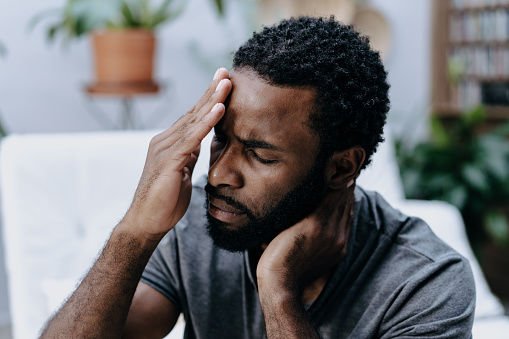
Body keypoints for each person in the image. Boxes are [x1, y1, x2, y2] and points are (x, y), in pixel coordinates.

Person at [41, 17, 475, 338]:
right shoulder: (195, 221)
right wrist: (134, 231)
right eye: (221, 140)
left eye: (259, 154)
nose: (219, 174)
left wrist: (278, 290)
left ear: (342, 167)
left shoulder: (426, 283)